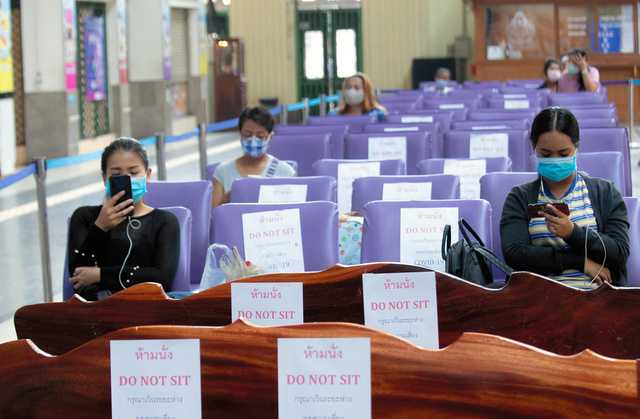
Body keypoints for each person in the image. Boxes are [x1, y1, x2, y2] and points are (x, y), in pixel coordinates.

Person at [501, 107, 629, 288]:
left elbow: (620, 253)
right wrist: (579, 262)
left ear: (576, 147)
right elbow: (515, 255)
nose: (555, 160)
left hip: (596, 296)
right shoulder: (519, 198)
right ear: (534, 148)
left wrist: (572, 233)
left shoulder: (605, 192)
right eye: (546, 154)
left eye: (563, 154)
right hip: (540, 295)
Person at [68, 138, 180, 300]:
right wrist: (100, 227)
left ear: (148, 175)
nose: (127, 179)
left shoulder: (165, 221)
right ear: (104, 178)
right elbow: (77, 278)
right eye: (116, 174)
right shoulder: (84, 217)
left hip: (146, 306)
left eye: (133, 173)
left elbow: (162, 278)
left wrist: (100, 275)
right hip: (98, 308)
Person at [212, 106, 295, 207]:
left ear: (270, 137)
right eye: (247, 134)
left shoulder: (286, 172)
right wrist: (228, 198)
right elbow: (213, 214)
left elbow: (294, 210)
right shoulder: (223, 172)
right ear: (240, 134)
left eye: (260, 136)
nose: (253, 140)